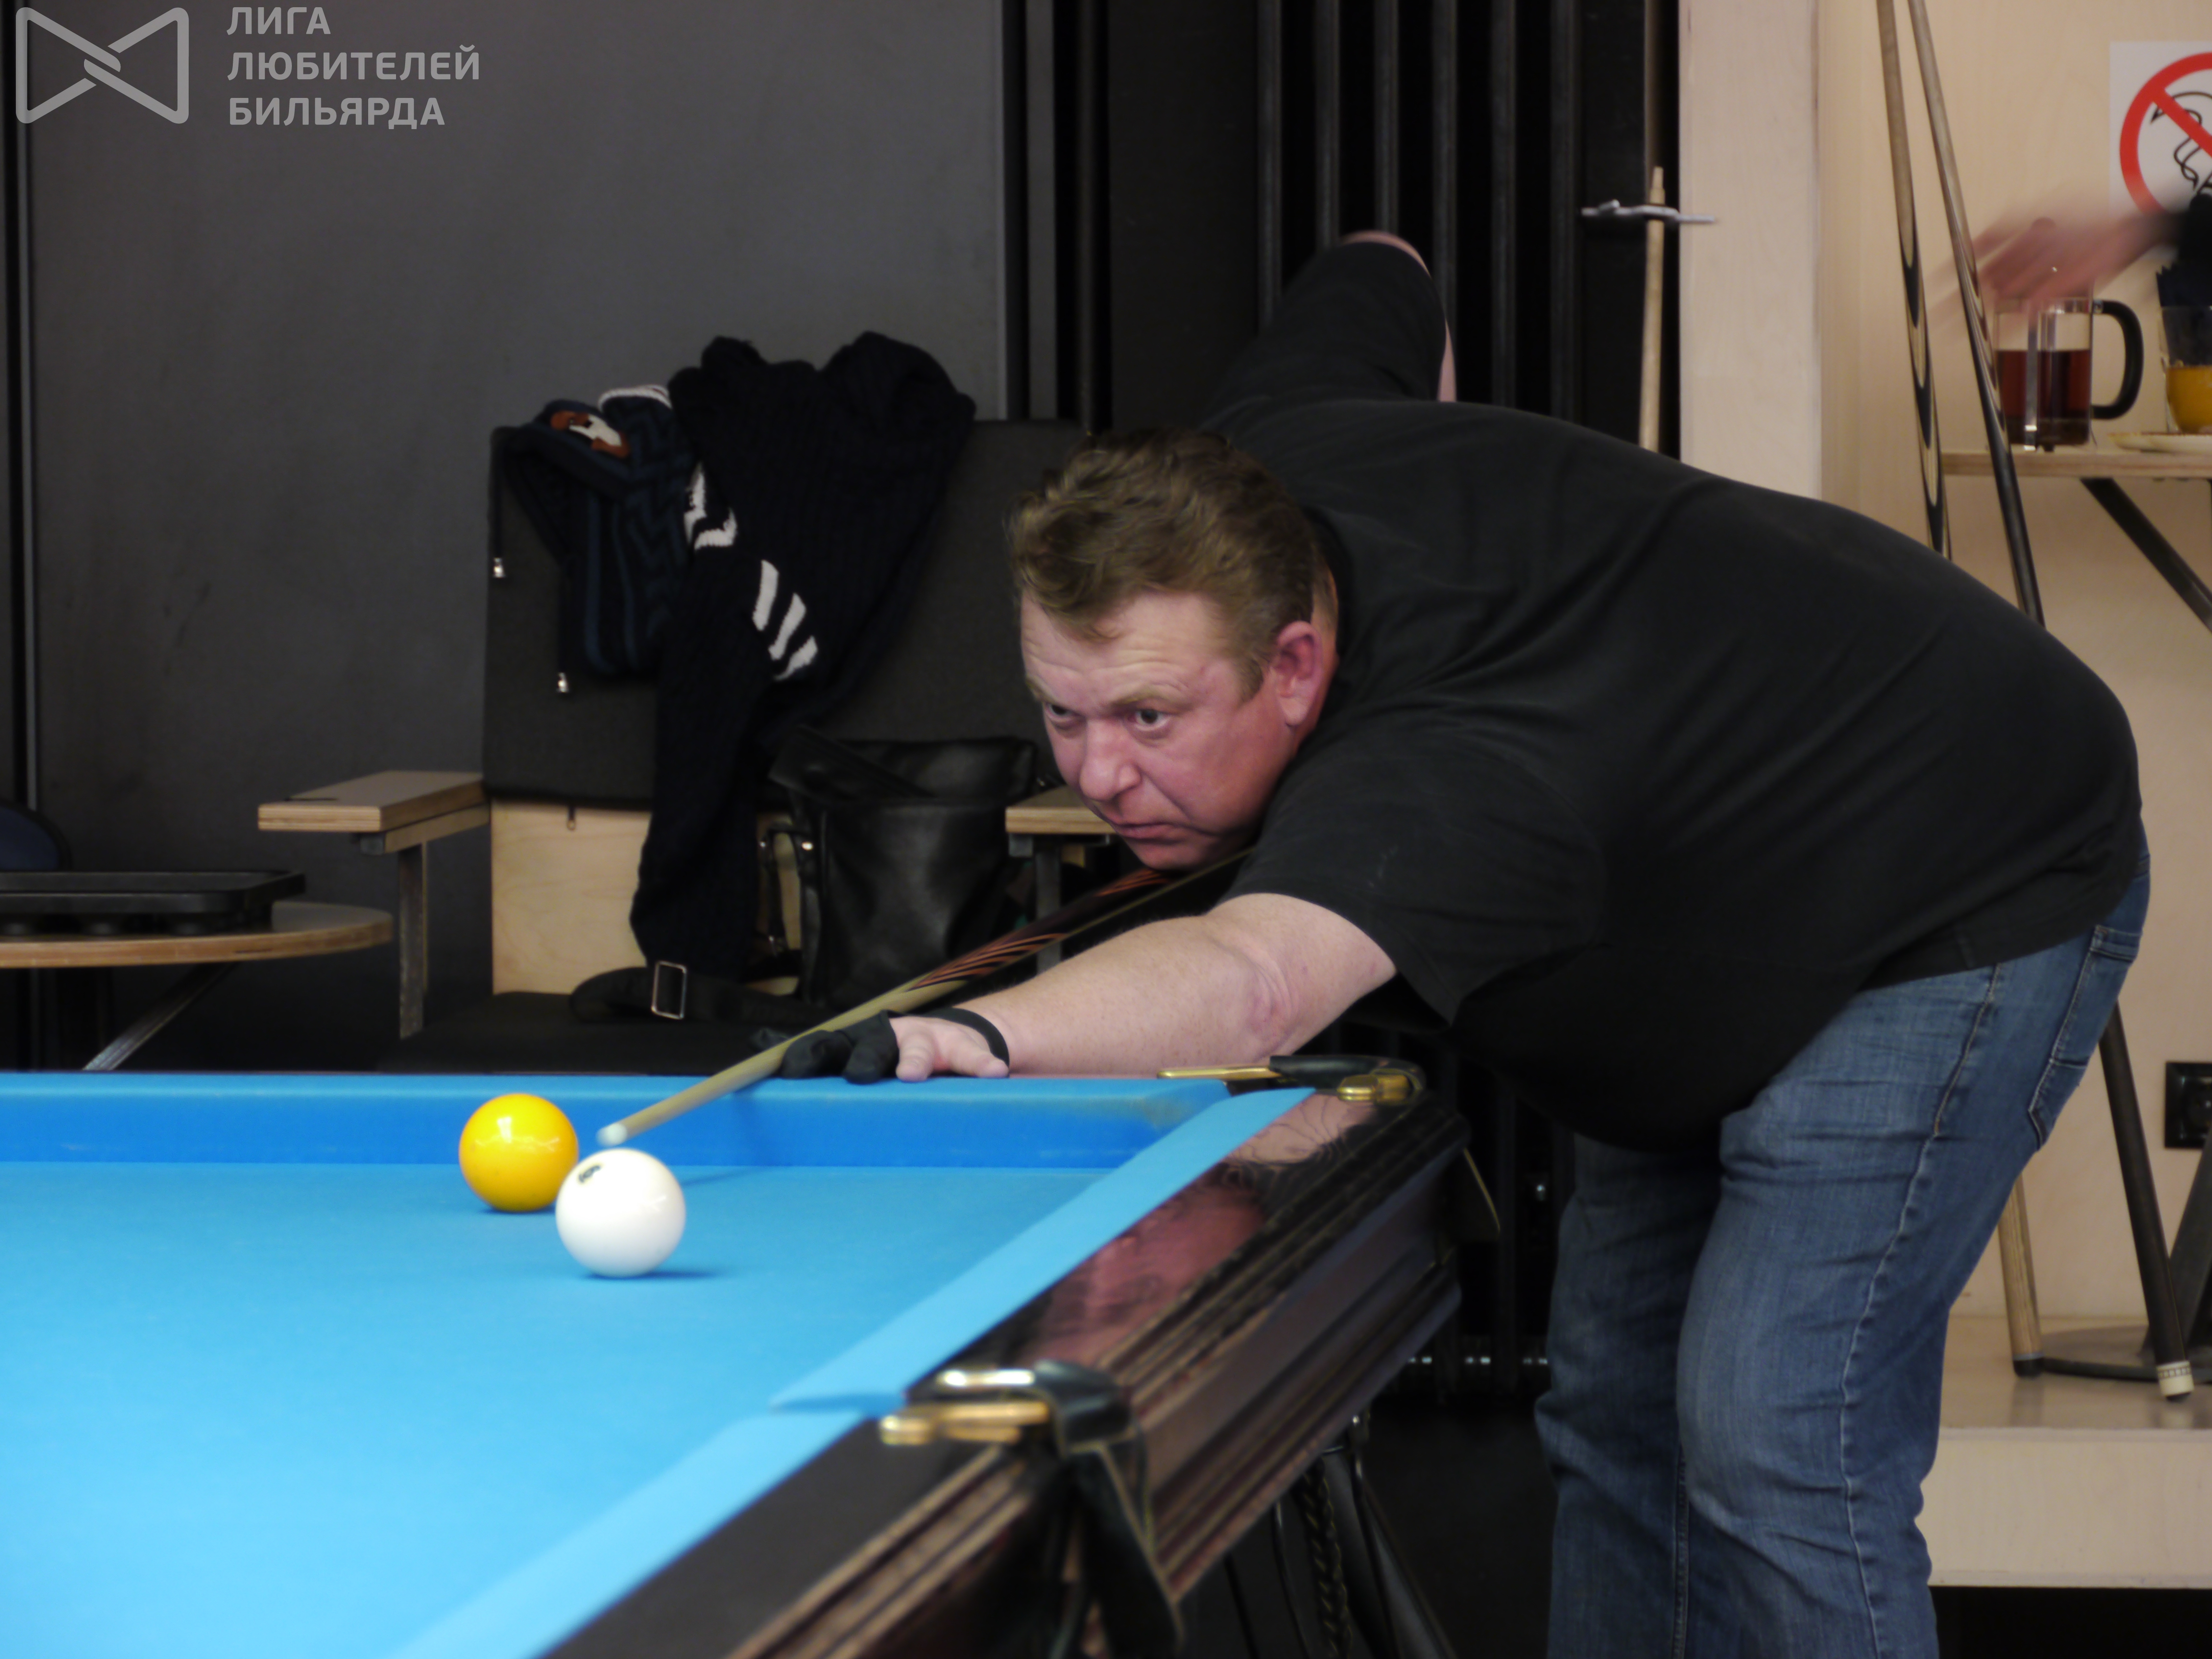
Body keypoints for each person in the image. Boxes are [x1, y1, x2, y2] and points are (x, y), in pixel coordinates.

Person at [784, 232, 2148, 1658]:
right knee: (1618, 1410)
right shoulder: (1251, 469)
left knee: (1774, 1436)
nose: (1100, 776)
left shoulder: (1437, 775)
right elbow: (1387, 264)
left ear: (1297, 664)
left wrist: (980, 1034)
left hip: (1961, 861)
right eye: (1063, 715)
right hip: (1710, 880)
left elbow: (1253, 982)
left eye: (1149, 718)